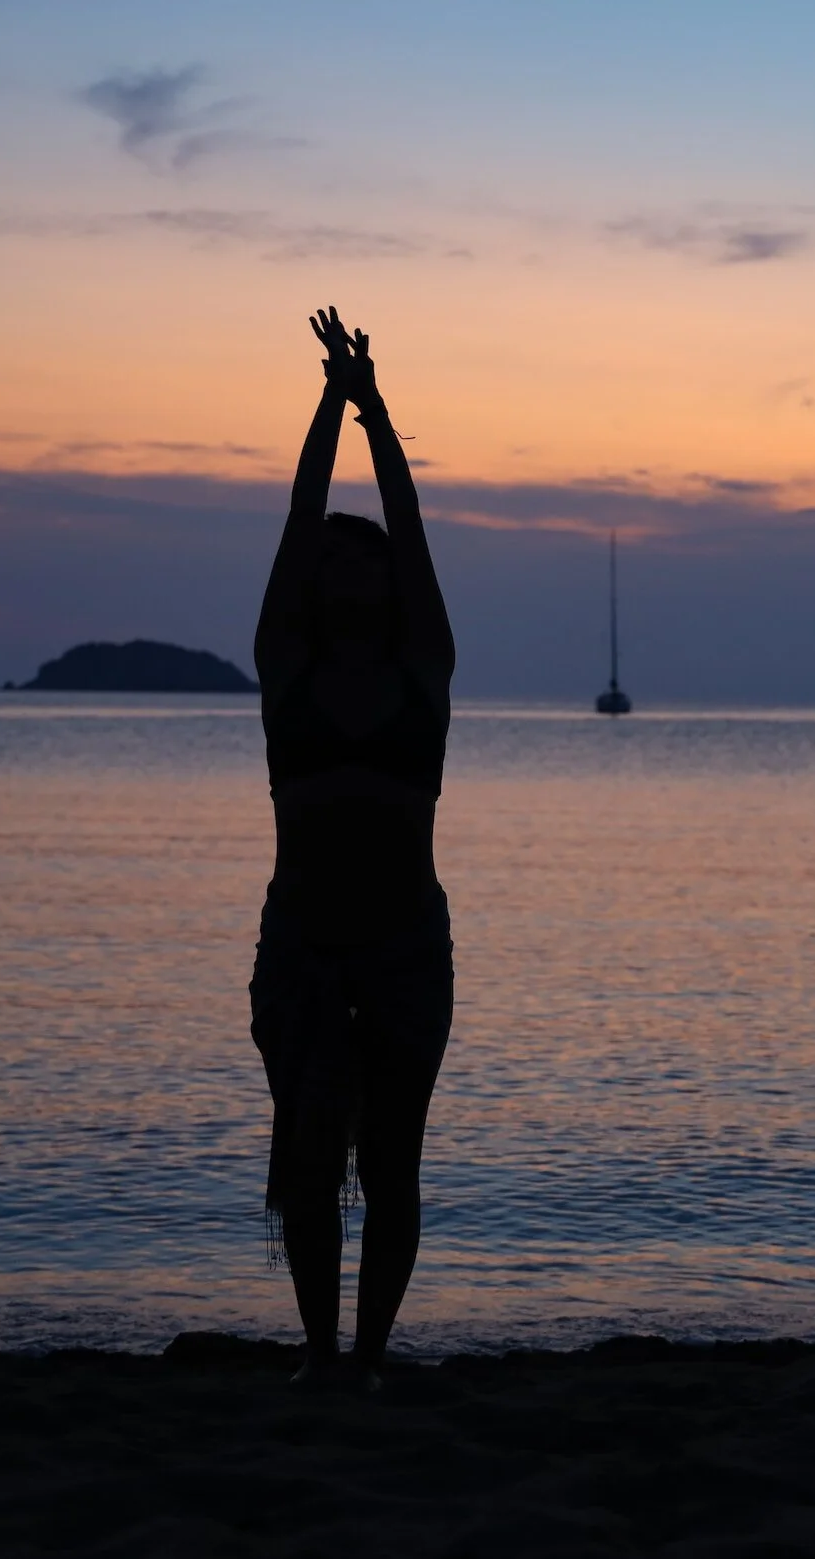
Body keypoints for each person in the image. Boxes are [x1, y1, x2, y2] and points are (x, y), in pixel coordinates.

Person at [250, 306, 455, 1388]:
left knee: (392, 1162)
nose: (341, 570)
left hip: (404, 949)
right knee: (311, 1158)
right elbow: (296, 523)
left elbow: (409, 533)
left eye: (356, 559)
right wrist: (329, 403)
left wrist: (378, 415)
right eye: (326, 564)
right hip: (305, 946)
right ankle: (321, 1354)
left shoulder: (425, 671)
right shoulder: (287, 672)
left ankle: (368, 1356)